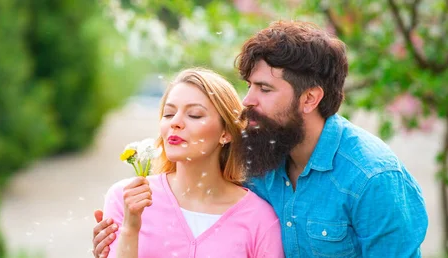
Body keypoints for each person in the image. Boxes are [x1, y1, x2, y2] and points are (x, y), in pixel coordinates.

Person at [93, 20, 428, 257]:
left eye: (264, 89)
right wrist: (122, 238)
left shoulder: (373, 179)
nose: (248, 100)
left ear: (309, 99)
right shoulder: (260, 156)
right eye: (250, 85)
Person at [98, 68, 284, 258]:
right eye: (169, 114)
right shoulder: (125, 199)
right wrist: (130, 230)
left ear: (225, 133)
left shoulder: (260, 219)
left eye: (194, 115)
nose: (175, 123)